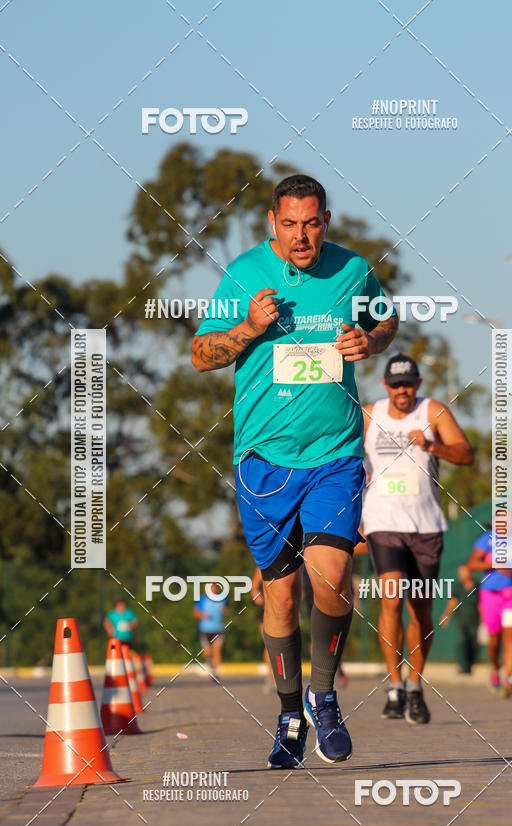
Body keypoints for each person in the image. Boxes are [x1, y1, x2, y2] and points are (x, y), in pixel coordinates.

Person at [192, 173, 397, 768]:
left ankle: (323, 695)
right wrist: (248, 329)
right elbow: (202, 355)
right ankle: (288, 713)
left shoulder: (353, 270)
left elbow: (386, 321)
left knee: (332, 580)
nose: (301, 235)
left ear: (326, 221)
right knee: (279, 599)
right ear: (271, 224)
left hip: (334, 453)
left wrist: (371, 340)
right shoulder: (244, 275)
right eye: (290, 224)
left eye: (312, 223)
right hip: (264, 460)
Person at [362, 353, 474, 723]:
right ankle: (393, 686)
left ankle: (415, 686)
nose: (402, 391)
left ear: (418, 384)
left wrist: (431, 445)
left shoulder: (433, 412)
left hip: (426, 525)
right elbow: (344, 461)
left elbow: (465, 454)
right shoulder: (369, 414)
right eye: (395, 385)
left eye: (408, 384)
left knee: (420, 609)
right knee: (391, 601)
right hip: (383, 521)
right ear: (385, 386)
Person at [467, 518, 512, 697]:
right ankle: (495, 668)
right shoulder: (485, 540)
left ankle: (510, 678)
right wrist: (494, 564)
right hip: (491, 594)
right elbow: (472, 564)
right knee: (494, 640)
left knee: (511, 637)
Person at [439, 564, 480, 674]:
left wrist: (484, 620)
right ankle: (463, 666)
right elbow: (453, 601)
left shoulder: (478, 585)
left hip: (475, 619)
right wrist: (446, 615)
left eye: (463, 572)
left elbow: (481, 603)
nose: (461, 575)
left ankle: (471, 664)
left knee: (473, 642)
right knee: (462, 641)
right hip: (461, 619)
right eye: (459, 573)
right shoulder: (457, 586)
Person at [193, 583, 227, 678]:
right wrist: (203, 615)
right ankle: (210, 663)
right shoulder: (202, 599)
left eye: (215, 588)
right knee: (208, 653)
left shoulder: (222, 598)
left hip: (218, 629)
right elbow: (195, 613)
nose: (214, 590)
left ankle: (215, 672)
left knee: (217, 650)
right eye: (212, 588)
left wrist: (223, 611)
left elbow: (225, 610)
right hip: (205, 630)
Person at [251, 566, 276, 693]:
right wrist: (259, 598)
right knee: (270, 645)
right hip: (266, 611)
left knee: (284, 645)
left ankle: (281, 678)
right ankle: (270, 677)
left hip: (284, 610)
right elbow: (254, 589)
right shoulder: (262, 565)